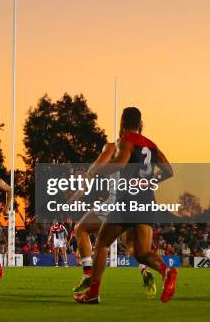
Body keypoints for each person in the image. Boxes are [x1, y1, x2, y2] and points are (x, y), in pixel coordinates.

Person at [75, 107, 176, 304]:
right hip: (147, 199)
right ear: (141, 124)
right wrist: (149, 181)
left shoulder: (126, 141)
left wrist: (96, 172)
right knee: (142, 252)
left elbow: (121, 164)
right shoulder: (152, 145)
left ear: (122, 122)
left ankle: (93, 293)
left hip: (128, 198)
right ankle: (166, 271)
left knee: (102, 244)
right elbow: (169, 171)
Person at [70, 143, 156, 298]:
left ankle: (88, 275)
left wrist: (79, 190)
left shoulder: (113, 149)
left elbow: (93, 172)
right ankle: (145, 270)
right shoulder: (141, 153)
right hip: (134, 202)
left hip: (115, 203)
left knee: (81, 229)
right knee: (130, 244)